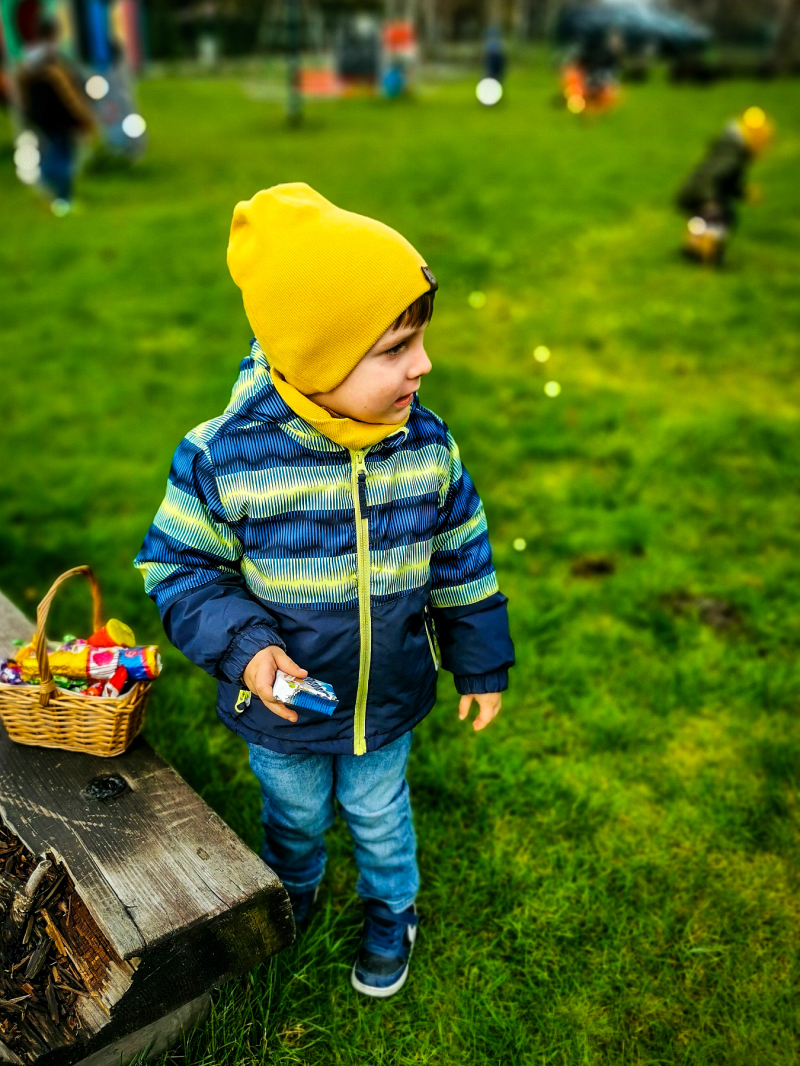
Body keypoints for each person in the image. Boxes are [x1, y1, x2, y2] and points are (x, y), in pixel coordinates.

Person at [134, 184, 515, 998]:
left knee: (380, 815)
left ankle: (392, 909)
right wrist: (248, 652)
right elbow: (181, 568)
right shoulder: (224, 458)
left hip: (385, 700)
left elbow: (462, 558)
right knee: (295, 813)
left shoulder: (424, 448)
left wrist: (479, 663)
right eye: (394, 348)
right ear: (317, 358)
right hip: (283, 708)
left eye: (421, 340)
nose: (424, 364)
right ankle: (292, 890)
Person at [16, 17, 95, 214]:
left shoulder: (27, 63)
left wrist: (27, 114)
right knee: (63, 158)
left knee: (53, 152)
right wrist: (83, 117)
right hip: (61, 117)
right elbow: (69, 95)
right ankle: (62, 198)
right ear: (54, 34)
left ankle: (53, 188)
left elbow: (22, 93)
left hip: (40, 117)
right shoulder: (56, 62)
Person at [677, 106, 774, 264]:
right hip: (699, 194)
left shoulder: (732, 148)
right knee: (719, 214)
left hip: (696, 192)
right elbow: (710, 178)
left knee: (719, 211)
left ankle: (695, 247)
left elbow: (725, 182)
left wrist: (743, 192)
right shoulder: (733, 155)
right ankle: (704, 252)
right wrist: (710, 203)